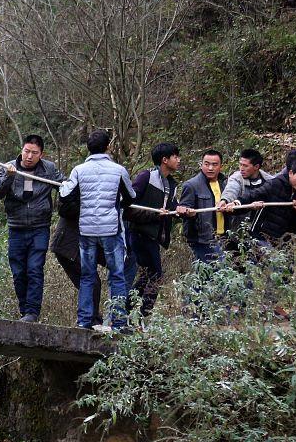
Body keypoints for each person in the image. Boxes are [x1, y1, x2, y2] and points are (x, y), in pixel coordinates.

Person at [59, 129, 135, 332]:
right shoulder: (119, 170)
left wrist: (64, 186)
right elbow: (130, 196)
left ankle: (84, 321)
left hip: (87, 229)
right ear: (108, 146)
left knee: (87, 275)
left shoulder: (78, 170)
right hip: (110, 229)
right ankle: (118, 323)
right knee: (117, 275)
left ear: (88, 148)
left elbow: (66, 194)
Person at [0, 134, 64, 322]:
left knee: (34, 269)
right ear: (21, 150)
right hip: (16, 227)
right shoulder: (8, 166)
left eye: (34, 153)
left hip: (40, 227)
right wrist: (9, 177)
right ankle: (24, 310)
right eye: (26, 151)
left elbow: (65, 186)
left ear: (41, 154)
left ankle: (32, 312)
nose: (29, 156)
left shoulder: (49, 169)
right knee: (18, 272)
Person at [121, 142, 181, 319]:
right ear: (164, 160)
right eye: (175, 157)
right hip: (139, 234)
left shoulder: (172, 184)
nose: (178, 160)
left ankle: (125, 312)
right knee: (156, 274)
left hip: (154, 236)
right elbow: (129, 207)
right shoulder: (146, 177)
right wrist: (155, 216)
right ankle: (142, 315)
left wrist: (182, 210)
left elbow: (172, 207)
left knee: (147, 275)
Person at [237, 159, 296, 247]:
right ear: (290, 173)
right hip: (261, 237)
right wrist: (237, 202)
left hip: (283, 241)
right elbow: (254, 194)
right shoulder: (275, 184)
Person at [179, 149, 227, 265]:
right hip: (202, 240)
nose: (210, 168)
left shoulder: (226, 183)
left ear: (221, 166)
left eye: (214, 165)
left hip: (224, 238)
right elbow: (183, 210)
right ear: (201, 165)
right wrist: (188, 213)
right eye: (207, 164)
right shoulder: (191, 185)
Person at [221, 148, 273, 234]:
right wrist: (225, 200)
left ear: (256, 167)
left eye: (245, 166)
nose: (241, 168)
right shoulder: (236, 178)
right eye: (240, 164)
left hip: (263, 232)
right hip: (238, 232)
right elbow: (231, 189)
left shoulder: (269, 180)